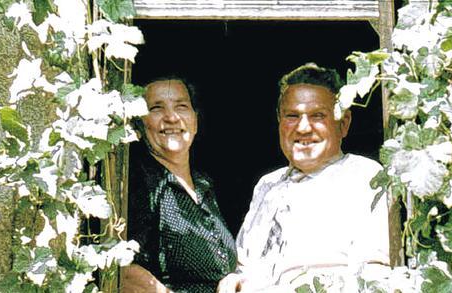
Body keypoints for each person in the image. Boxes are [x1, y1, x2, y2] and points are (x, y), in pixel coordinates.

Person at [218, 64, 390, 292]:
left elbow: (374, 275)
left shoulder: (364, 176)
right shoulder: (267, 185)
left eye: (318, 116)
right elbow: (246, 266)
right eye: (292, 116)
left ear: (344, 123)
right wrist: (236, 280)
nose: (303, 127)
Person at [124, 78, 237, 293]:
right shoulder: (142, 186)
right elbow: (124, 271)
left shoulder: (204, 184)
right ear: (139, 123)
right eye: (156, 108)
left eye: (181, 106)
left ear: (195, 120)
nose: (171, 117)